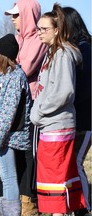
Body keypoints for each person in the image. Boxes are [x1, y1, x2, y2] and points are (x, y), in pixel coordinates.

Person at [30, 4, 86, 215]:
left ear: (57, 29)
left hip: (57, 125)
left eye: (44, 29)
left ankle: (59, 213)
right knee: (53, 178)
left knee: (54, 178)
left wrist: (38, 111)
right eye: (38, 29)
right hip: (51, 124)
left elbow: (64, 92)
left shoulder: (62, 54)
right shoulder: (53, 53)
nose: (40, 33)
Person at [5, 1, 47, 215]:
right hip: (18, 103)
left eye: (16, 15)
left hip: (33, 104)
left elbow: (26, 67)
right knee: (20, 152)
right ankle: (23, 197)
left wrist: (10, 60)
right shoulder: (18, 39)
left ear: (28, 15)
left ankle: (31, 199)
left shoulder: (39, 39)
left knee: (31, 154)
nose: (13, 19)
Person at [0, 33, 32, 216]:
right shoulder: (1, 76)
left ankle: (11, 214)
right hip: (2, 136)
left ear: (4, 55)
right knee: (5, 176)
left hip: (11, 136)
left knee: (9, 177)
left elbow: (7, 113)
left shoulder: (15, 77)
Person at [63, 7, 91, 216]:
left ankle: (84, 208)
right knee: (71, 163)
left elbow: (85, 87)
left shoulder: (85, 49)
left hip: (85, 119)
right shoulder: (74, 48)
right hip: (75, 118)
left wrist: (69, 102)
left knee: (76, 162)